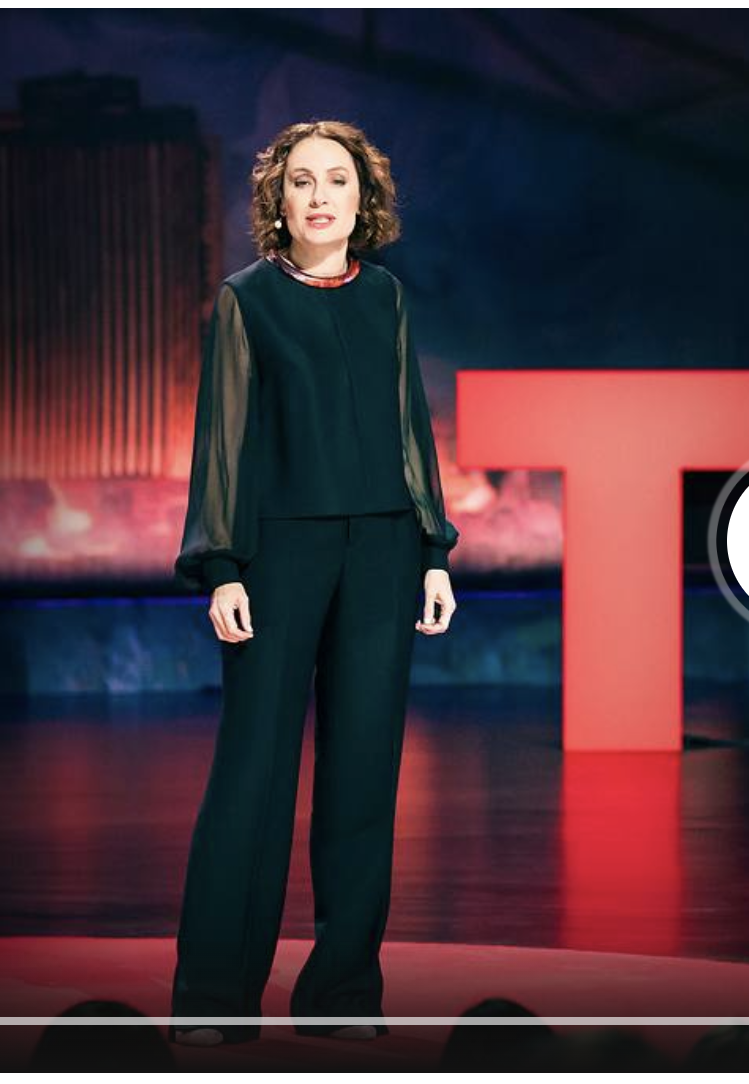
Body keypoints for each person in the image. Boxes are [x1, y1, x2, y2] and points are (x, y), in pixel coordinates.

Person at [169, 119, 460, 1046]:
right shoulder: (247, 299)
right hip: (278, 557)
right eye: (303, 182)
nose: (321, 196)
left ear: (364, 200)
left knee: (364, 777)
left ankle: (340, 995)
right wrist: (222, 566)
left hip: (382, 555)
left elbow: (412, 428)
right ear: (279, 202)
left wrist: (434, 550)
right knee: (252, 773)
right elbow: (225, 440)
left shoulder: (386, 297)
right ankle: (215, 1001)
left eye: (339, 180)